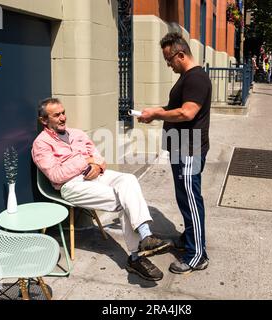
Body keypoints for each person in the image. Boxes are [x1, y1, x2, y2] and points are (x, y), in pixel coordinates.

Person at [32, 97, 173, 282]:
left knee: (128, 180)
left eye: (63, 113)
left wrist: (98, 166)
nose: (63, 118)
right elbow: (57, 175)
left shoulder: (77, 134)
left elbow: (97, 156)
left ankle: (146, 236)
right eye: (56, 115)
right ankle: (137, 257)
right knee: (125, 202)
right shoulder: (41, 144)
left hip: (96, 175)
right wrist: (86, 161)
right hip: (71, 185)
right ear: (44, 120)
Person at [137, 32, 210, 275]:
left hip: (189, 150)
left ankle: (197, 254)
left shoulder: (196, 78)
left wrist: (156, 114)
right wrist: (155, 111)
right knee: (184, 198)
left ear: (181, 54)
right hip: (181, 148)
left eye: (169, 59)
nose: (168, 64)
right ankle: (190, 237)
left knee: (191, 199)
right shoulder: (187, 78)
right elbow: (175, 108)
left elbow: (187, 113)